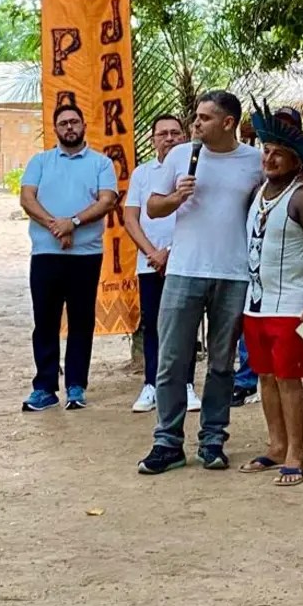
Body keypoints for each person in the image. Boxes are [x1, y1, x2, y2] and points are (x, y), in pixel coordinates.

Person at [138, 90, 265, 475]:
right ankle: (167, 442)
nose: (195, 124)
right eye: (196, 116)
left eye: (205, 118)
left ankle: (213, 440)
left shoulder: (254, 162)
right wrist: (177, 197)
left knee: (222, 363)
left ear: (229, 123)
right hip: (184, 269)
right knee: (172, 360)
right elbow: (152, 206)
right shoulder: (180, 156)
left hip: (233, 272)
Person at [236, 105, 303, 486]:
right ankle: (276, 445)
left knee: (288, 379)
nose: (269, 157)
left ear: (296, 157)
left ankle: (296, 452)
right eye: (266, 149)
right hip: (257, 304)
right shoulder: (257, 192)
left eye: (279, 151)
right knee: (264, 376)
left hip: (292, 305)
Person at [17, 104, 119, 412]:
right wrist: (55, 225)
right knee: (45, 321)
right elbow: (27, 198)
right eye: (63, 123)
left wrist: (72, 223)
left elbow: (107, 201)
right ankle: (45, 387)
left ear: (84, 125)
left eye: (74, 121)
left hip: (85, 256)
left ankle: (76, 385)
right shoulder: (41, 161)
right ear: (55, 128)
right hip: (46, 253)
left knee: (81, 320)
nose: (69, 127)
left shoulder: (101, 164)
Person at [124, 114, 200, 413]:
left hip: (185, 261)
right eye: (162, 134)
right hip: (149, 263)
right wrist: (153, 253)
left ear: (184, 137)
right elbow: (131, 217)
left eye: (175, 133)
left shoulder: (194, 172)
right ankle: (152, 384)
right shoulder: (142, 174)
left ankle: (186, 384)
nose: (169, 138)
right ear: (152, 139)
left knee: (186, 324)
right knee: (153, 324)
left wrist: (170, 251)